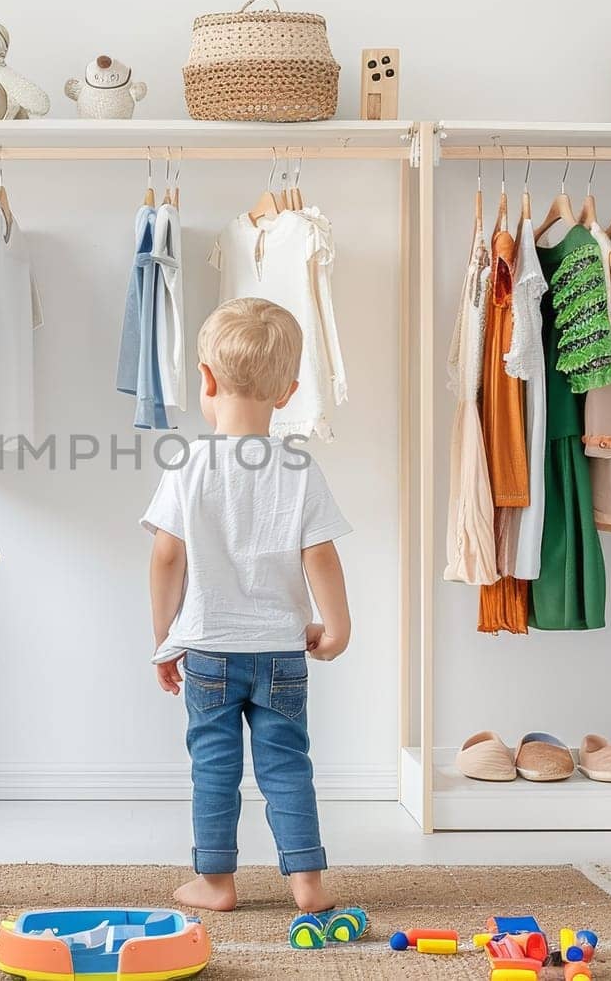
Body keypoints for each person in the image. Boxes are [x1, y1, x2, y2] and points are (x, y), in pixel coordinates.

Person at [142, 298, 353, 913]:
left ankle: (216, 883)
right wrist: (335, 628)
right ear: (287, 392)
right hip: (282, 652)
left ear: (205, 380)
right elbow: (321, 557)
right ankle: (308, 884)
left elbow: (164, 558)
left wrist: (165, 637)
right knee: (287, 765)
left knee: (214, 768)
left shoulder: (187, 466)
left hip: (208, 649)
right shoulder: (299, 468)